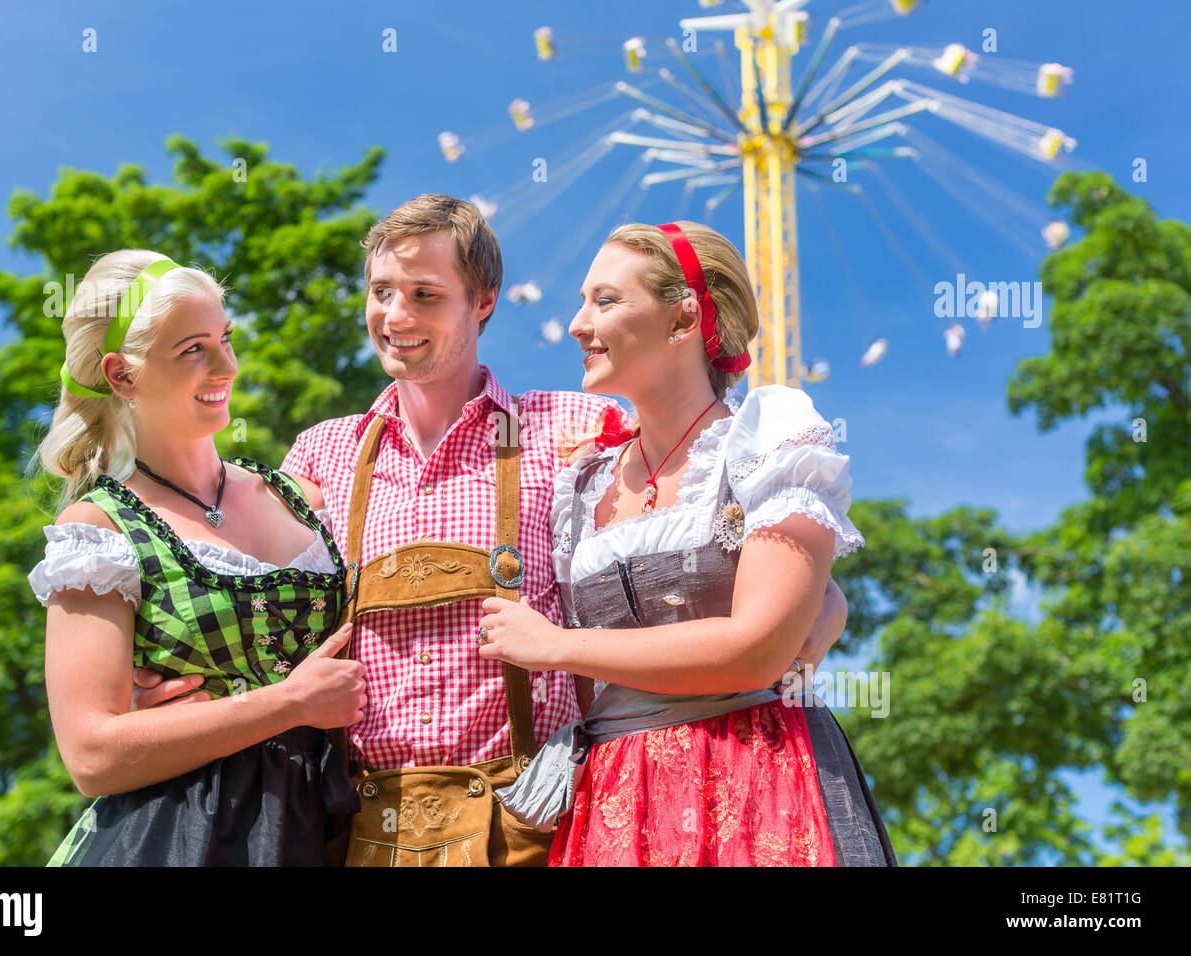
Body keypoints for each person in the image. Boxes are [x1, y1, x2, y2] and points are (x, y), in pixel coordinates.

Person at [134, 195, 849, 866]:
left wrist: (803, 632)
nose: (395, 314)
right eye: (381, 291)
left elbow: (721, 529)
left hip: (531, 826)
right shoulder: (322, 454)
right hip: (360, 827)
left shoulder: (579, 428)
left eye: (425, 295)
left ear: (483, 302)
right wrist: (175, 690)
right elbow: (251, 606)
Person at [481, 220, 897, 866]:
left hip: (759, 781)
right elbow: (597, 700)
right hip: (618, 799)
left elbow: (759, 649)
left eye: (605, 300)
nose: (575, 325)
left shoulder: (770, 437)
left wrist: (558, 646)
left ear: (682, 320)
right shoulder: (582, 486)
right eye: (581, 302)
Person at [28, 250, 366, 866]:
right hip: (178, 840)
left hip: (329, 829)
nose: (227, 365)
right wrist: (288, 702)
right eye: (193, 349)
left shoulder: (303, 498)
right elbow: (92, 755)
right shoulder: (100, 529)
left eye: (226, 338)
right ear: (122, 376)